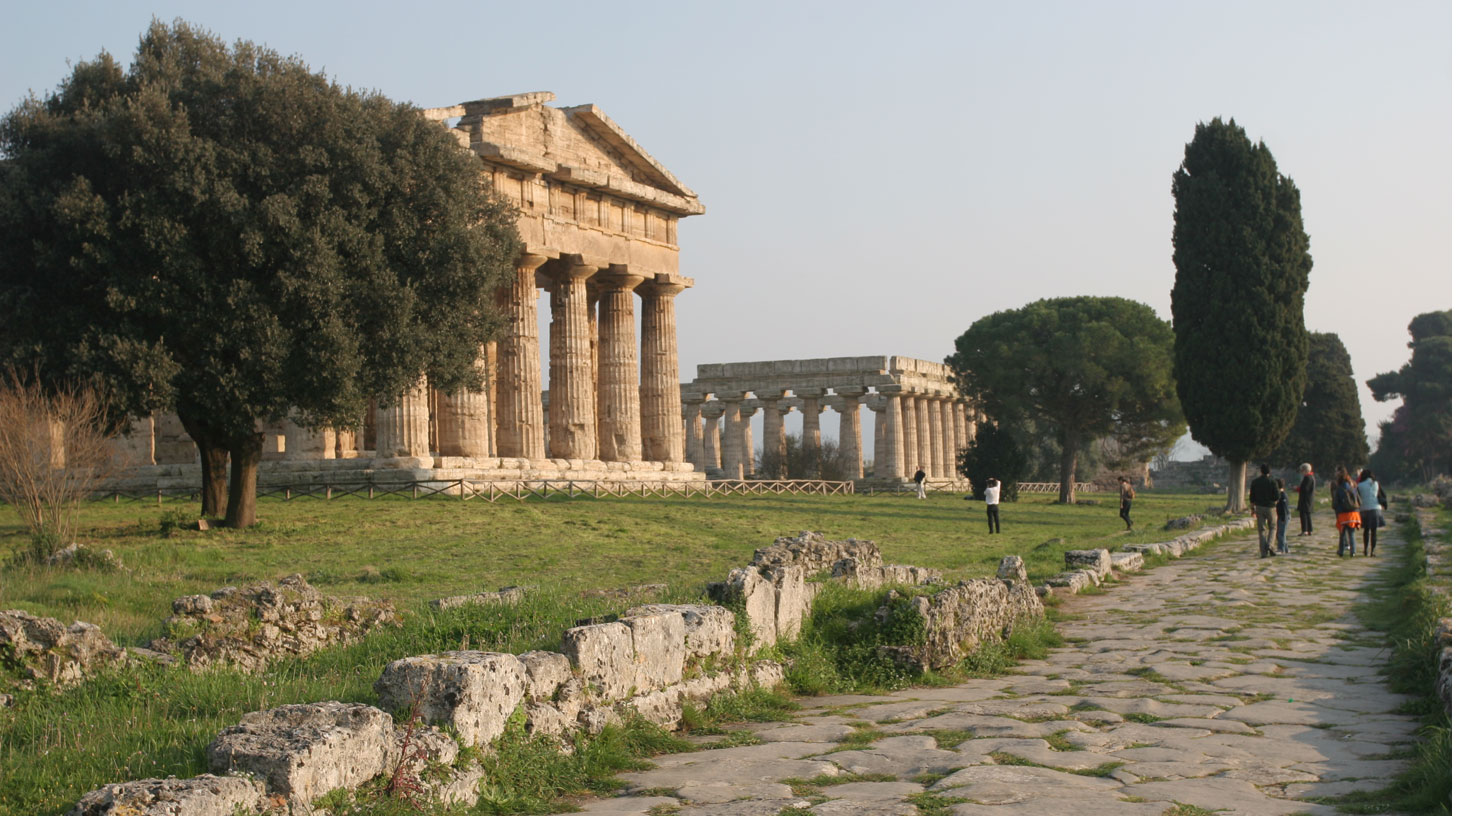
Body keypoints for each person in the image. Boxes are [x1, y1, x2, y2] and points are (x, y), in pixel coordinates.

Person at [1249, 463, 1280, 558]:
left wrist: (1252, 509)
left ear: (1261, 471)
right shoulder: (1273, 481)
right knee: (1273, 527)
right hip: (1271, 507)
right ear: (1269, 471)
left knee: (1261, 529)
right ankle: (1270, 545)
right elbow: (1277, 496)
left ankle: (1263, 552)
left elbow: (1252, 497)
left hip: (1259, 507)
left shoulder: (1255, 482)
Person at [1330, 467, 1361, 557]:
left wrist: (1335, 508)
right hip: (1354, 513)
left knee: (1342, 533)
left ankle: (1341, 550)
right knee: (1352, 533)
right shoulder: (1353, 485)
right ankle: (1353, 551)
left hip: (1343, 514)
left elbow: (1335, 502)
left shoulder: (1339, 488)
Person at [1355, 468, 1383, 557]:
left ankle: (1365, 549)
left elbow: (1356, 497)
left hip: (1364, 509)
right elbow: (1380, 495)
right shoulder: (1376, 483)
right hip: (1375, 508)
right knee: (1374, 531)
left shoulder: (1359, 485)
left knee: (1366, 530)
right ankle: (1373, 551)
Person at [1297, 463, 1316, 536]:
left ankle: (1305, 530)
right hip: (1309, 499)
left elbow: (1305, 488)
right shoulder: (1311, 477)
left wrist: (1298, 489)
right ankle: (1309, 529)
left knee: (1303, 514)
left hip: (1305, 499)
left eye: (1302, 470)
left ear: (1305, 470)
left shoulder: (1307, 478)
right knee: (1307, 514)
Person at [1275, 478, 1290, 554]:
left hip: (1284, 516)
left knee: (1281, 534)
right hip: (1281, 516)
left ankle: (1281, 549)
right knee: (1280, 533)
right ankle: (1286, 549)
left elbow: (1284, 508)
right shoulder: (1280, 495)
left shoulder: (1283, 495)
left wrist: (1283, 517)